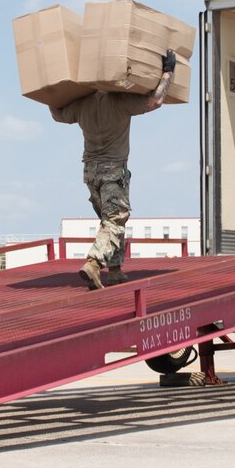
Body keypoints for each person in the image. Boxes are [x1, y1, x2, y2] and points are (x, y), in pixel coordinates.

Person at [52, 52, 177, 290]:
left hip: (90, 173)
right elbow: (155, 101)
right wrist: (167, 73)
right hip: (113, 171)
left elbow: (57, 114)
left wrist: (51, 90)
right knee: (115, 221)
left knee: (108, 220)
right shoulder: (119, 101)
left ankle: (116, 271)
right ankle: (94, 263)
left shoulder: (82, 104)